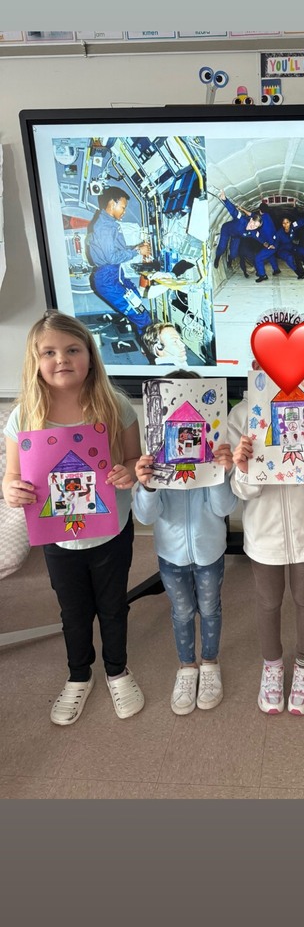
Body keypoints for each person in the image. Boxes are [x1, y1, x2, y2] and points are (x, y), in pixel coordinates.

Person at [2, 310, 145, 725]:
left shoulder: (115, 405)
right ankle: (79, 674)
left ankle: (117, 670)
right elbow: (11, 477)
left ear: (90, 355)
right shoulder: (24, 416)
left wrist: (127, 472)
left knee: (113, 606)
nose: (61, 359)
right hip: (58, 539)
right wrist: (10, 490)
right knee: (73, 611)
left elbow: (134, 461)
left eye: (72, 349)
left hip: (111, 530)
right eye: (48, 352)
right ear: (35, 361)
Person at [228, 310, 304, 716]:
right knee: (267, 601)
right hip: (264, 533)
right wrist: (244, 466)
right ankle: (272, 666)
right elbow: (242, 490)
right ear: (256, 363)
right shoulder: (242, 416)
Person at [133, 371, 237, 715]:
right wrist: (148, 485)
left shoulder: (211, 458)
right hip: (170, 554)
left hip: (210, 552)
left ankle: (210, 663)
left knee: (210, 609)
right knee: (181, 612)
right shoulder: (157, 460)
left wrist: (220, 474)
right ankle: (187, 666)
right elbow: (146, 516)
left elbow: (224, 508)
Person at [86, 186, 153, 336]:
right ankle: (151, 344)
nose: (124, 211)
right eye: (123, 207)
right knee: (141, 316)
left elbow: (117, 250)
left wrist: (137, 247)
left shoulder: (109, 224)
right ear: (112, 204)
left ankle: (146, 338)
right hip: (108, 279)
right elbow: (112, 258)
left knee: (137, 300)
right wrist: (137, 251)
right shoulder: (105, 228)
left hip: (114, 274)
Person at [274, 214, 304, 279]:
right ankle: (298, 272)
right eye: (284, 223)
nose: (286, 225)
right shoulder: (279, 233)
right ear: (282, 224)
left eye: (287, 222)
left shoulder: (293, 226)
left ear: (290, 222)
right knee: (289, 258)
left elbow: (301, 222)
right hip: (282, 250)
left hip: (291, 247)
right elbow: (274, 242)